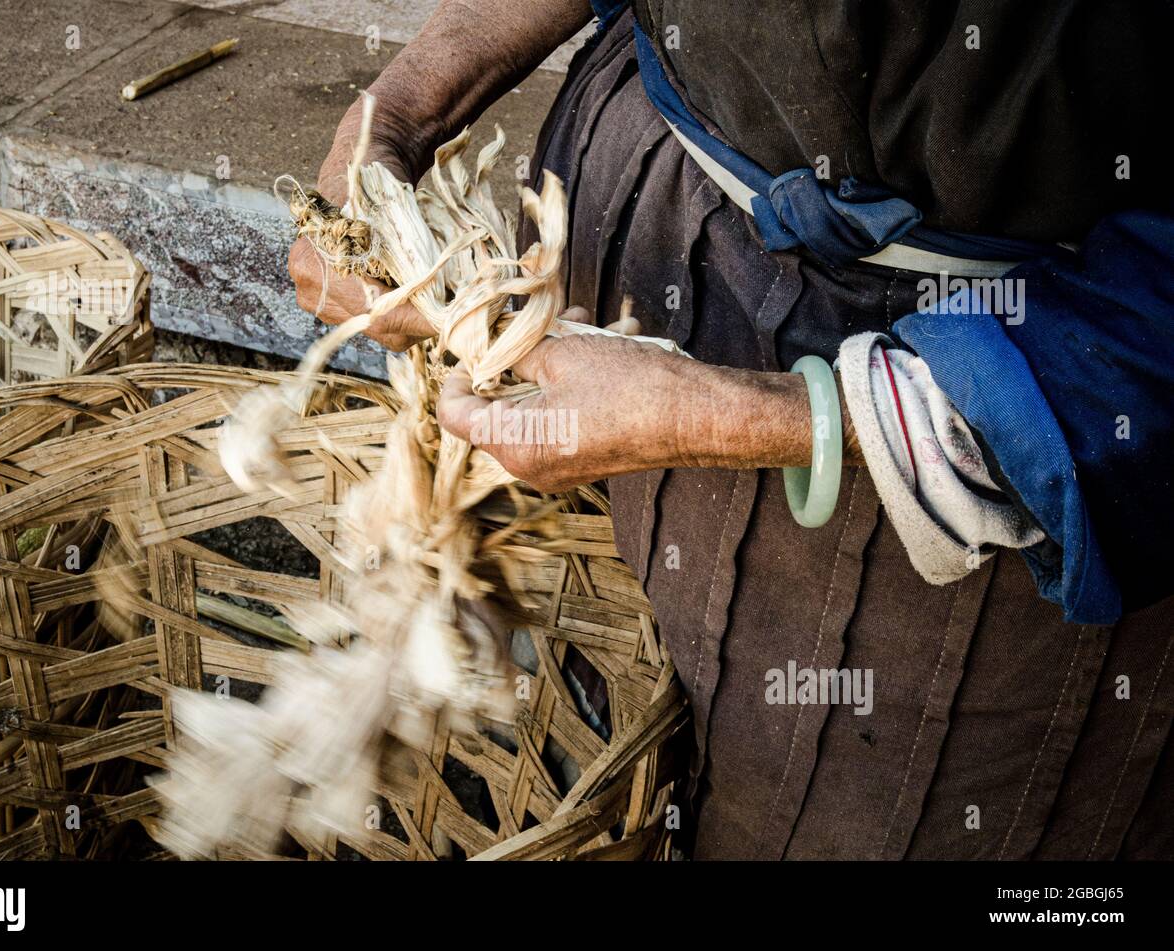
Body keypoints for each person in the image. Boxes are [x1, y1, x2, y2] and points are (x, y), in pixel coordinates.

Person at [289, 0, 1173, 859]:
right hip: (648, 238)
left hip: (1015, 396)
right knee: (615, 720)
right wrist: (397, 112)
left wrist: (760, 418)